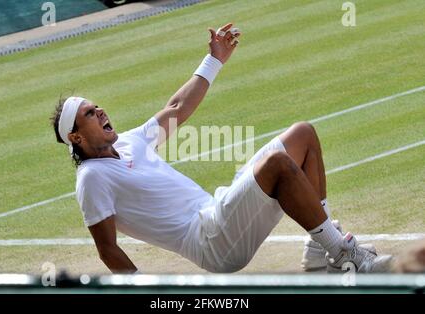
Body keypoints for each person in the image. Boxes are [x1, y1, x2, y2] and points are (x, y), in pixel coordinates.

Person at [50, 23, 392, 274]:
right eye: (89, 114)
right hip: (211, 243)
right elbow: (107, 250)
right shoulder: (92, 179)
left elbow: (175, 109)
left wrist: (214, 60)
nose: (100, 112)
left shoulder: (126, 142)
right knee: (277, 163)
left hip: (218, 211)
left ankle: (321, 247)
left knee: (302, 135)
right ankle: (344, 255)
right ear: (77, 137)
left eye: (97, 107)